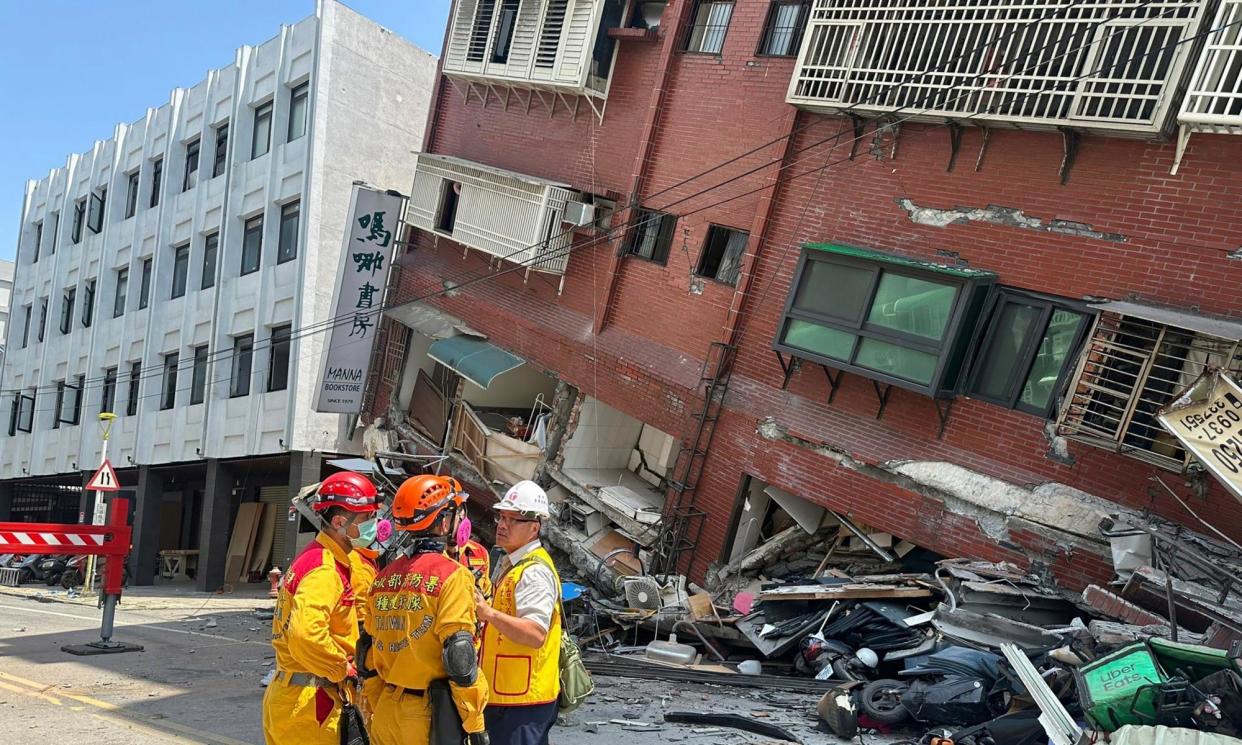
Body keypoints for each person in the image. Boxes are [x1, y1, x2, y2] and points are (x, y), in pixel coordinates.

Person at [365, 474, 490, 745]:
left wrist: (378, 701)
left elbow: (367, 651)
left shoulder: (383, 577)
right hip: (427, 715)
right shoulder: (453, 576)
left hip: (386, 709)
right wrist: (475, 723)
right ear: (444, 519)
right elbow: (459, 655)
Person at [262, 470, 380, 745]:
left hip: (294, 696)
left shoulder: (316, 556)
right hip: (312, 704)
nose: (372, 525)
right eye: (366, 518)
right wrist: (343, 669)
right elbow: (305, 634)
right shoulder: (325, 569)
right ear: (340, 522)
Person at [476, 480, 562, 745]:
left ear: (534, 528)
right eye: (502, 517)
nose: (502, 525)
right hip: (509, 694)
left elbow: (536, 634)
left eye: (513, 520)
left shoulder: (533, 572)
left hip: (522, 700)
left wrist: (488, 614)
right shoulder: (513, 563)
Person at [445, 477, 493, 600]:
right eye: (452, 512)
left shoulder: (479, 553)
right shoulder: (425, 557)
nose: (460, 516)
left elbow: (487, 596)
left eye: (461, 509)